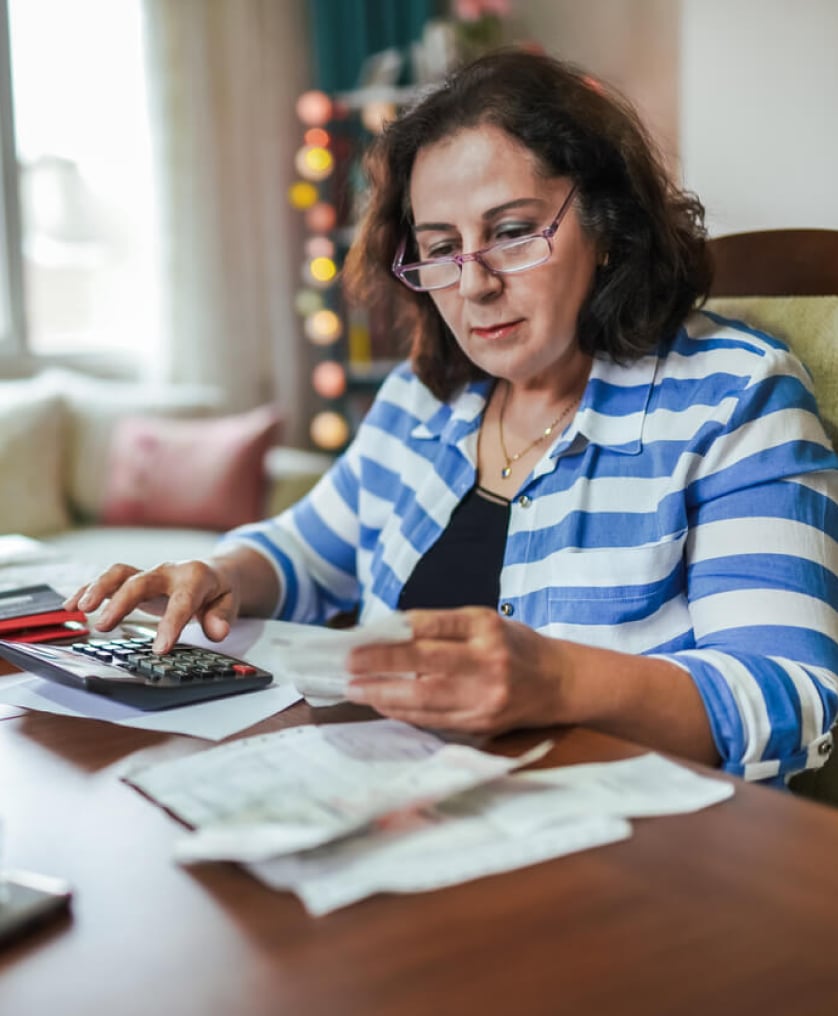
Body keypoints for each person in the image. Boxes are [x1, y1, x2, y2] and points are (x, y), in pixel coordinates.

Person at [67, 50, 838, 785]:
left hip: (636, 865)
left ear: (606, 225)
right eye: (441, 247)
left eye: (510, 232)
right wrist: (220, 574)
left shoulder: (737, 397)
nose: (474, 285)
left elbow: (792, 698)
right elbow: (310, 548)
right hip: (408, 808)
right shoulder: (426, 394)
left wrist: (560, 679)